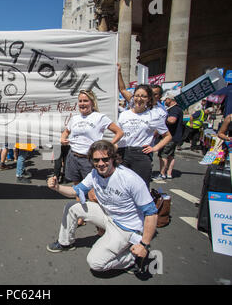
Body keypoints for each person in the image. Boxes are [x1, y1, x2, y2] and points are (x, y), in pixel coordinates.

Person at [46, 140, 158, 274]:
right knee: (72, 207)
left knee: (96, 263)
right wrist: (56, 187)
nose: (100, 163)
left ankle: (133, 257)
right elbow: (75, 191)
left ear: (113, 158)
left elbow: (151, 213)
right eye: (96, 160)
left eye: (105, 159)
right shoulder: (94, 174)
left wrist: (144, 244)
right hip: (107, 215)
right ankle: (65, 243)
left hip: (125, 227)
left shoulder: (130, 179)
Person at [117, 70, 172, 188]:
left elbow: (167, 136)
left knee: (140, 188)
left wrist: (155, 148)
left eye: (143, 96)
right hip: (122, 153)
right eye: (137, 95)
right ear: (133, 97)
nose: (139, 99)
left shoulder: (154, 115)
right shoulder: (124, 114)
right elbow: (119, 135)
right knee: (122, 187)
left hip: (141, 155)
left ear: (148, 99)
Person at [61, 89, 123, 186]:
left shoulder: (100, 117)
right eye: (80, 101)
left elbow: (119, 132)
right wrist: (62, 138)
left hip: (89, 159)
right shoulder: (74, 118)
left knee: (92, 190)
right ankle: (79, 202)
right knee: (77, 188)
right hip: (73, 157)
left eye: (85, 101)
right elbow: (66, 131)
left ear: (92, 103)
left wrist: (109, 145)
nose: (82, 103)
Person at [157, 91, 184, 180]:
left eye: (166, 100)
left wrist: (162, 119)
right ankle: (169, 173)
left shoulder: (174, 109)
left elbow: (172, 120)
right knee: (171, 155)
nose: (165, 102)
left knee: (163, 154)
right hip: (175, 136)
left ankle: (162, 173)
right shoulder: (178, 108)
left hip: (170, 136)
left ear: (170, 99)